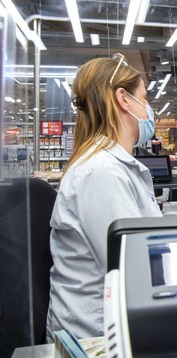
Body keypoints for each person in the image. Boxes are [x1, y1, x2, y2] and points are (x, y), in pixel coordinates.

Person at [46, 54, 163, 341]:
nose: (148, 109)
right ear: (124, 99)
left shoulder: (108, 165)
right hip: (97, 338)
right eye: (144, 98)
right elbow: (133, 267)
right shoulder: (101, 172)